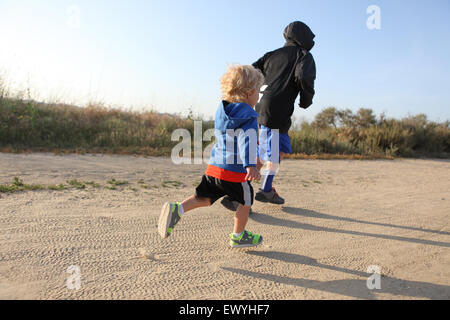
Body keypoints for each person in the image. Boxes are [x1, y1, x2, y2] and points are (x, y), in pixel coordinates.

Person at [158, 64, 265, 248]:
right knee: (245, 202)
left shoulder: (222, 111)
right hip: (235, 172)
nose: (259, 96)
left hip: (215, 167)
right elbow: (246, 141)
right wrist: (250, 165)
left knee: (205, 198)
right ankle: (238, 236)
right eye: (258, 92)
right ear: (249, 93)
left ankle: (179, 208)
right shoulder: (249, 116)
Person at [222, 21, 316, 209]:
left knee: (279, 149)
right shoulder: (304, 56)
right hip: (275, 109)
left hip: (266, 107)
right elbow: (305, 77)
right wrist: (306, 99)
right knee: (268, 153)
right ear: (302, 36)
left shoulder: (271, 55)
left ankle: (264, 188)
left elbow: (250, 70)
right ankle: (238, 193)